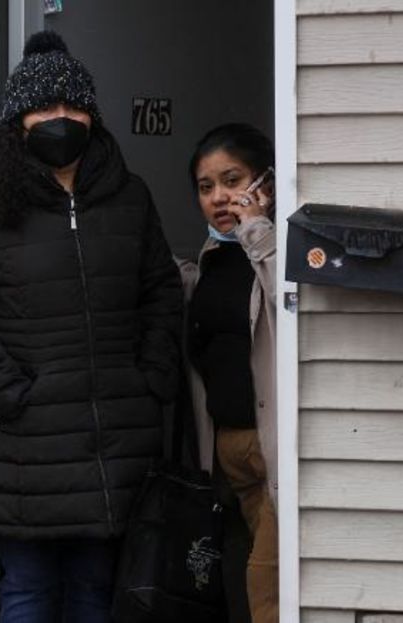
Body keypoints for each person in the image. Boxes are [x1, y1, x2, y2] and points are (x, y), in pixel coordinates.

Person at [0, 31, 183, 622]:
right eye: (45, 108)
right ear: (18, 120)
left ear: (92, 115)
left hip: (116, 439)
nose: (60, 119)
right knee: (28, 592)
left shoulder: (130, 197)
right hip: (29, 445)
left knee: (97, 591)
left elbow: (162, 292)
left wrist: (152, 375)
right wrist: (6, 391)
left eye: (73, 107)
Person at [180, 123, 278, 623]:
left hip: (272, 451)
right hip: (226, 453)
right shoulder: (211, 260)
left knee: (267, 588)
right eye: (205, 186)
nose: (220, 197)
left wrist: (258, 229)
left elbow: (292, 309)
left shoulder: (275, 251)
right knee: (232, 584)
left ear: (265, 182)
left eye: (232, 179)